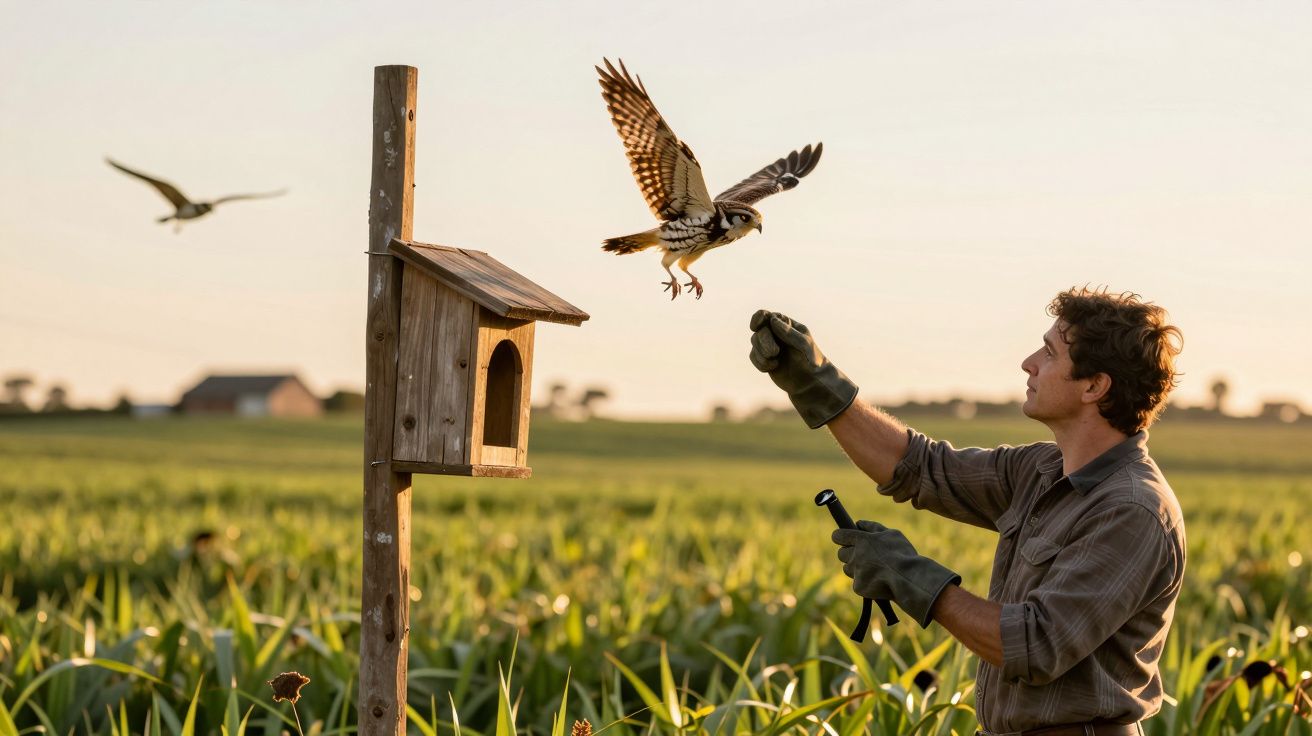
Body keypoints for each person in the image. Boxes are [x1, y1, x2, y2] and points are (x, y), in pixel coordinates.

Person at [748, 287, 1185, 736]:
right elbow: (920, 467)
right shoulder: (1039, 468)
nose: (1029, 362)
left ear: (1094, 386)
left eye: (1049, 353)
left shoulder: (1132, 510)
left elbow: (1036, 645)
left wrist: (911, 577)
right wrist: (814, 381)